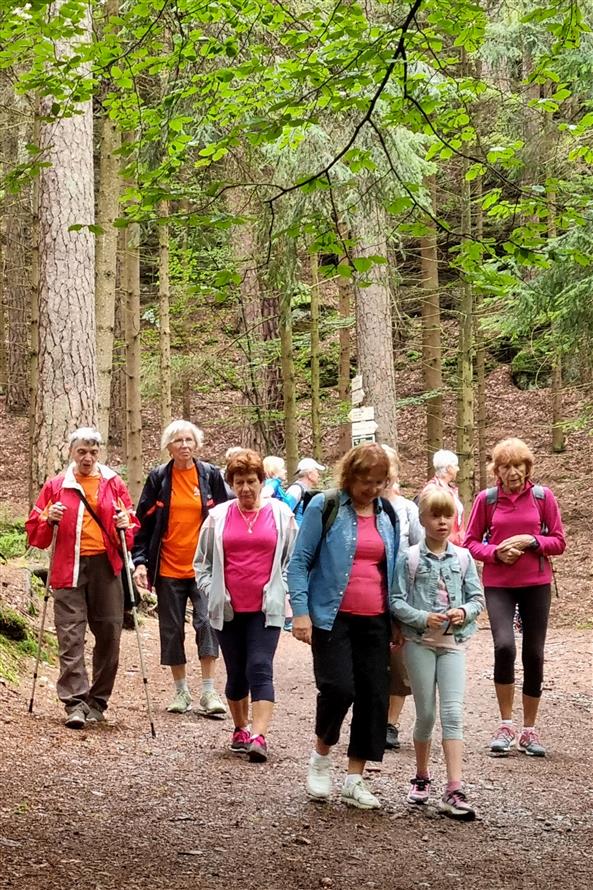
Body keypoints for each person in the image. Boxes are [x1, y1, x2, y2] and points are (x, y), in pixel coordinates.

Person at [288, 443, 399, 810]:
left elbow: (395, 569)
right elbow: (299, 562)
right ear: (350, 476)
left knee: (373, 696)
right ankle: (321, 756)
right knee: (338, 688)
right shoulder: (326, 505)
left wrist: (397, 619)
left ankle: (355, 778)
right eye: (366, 481)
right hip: (331, 617)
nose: (372, 489)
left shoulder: (389, 515)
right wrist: (300, 612)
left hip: (377, 619)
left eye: (380, 482)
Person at [25, 427, 138, 729]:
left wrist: (126, 523)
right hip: (68, 567)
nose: (87, 458)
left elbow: (131, 525)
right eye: (82, 452)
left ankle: (98, 702)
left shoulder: (113, 483)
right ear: (71, 453)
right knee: (70, 635)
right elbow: (35, 532)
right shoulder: (57, 486)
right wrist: (48, 518)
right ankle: (75, 703)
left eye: (93, 452)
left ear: (99, 454)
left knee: (109, 634)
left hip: (106, 566)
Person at [464, 437, 566, 758]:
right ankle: (505, 724)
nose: (513, 472)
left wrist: (533, 541)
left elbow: (559, 541)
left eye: (519, 465)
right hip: (499, 584)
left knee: (534, 654)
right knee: (504, 646)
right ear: (497, 469)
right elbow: (469, 543)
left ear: (527, 467)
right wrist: (495, 552)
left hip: (536, 583)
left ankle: (529, 730)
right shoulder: (487, 499)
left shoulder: (542, 497)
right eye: (506, 466)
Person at [194, 449, 297, 763]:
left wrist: (284, 589)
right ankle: (240, 727)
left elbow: (293, 561)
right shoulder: (217, 517)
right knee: (237, 672)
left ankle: (259, 735)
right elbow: (201, 563)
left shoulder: (282, 515)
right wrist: (212, 590)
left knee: (260, 667)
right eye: (239, 482)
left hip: (266, 607)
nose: (246, 489)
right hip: (227, 608)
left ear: (261, 481)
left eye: (251, 481)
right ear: (231, 484)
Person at [390, 488, 484, 820]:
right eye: (435, 515)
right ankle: (421, 775)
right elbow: (396, 601)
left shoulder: (464, 558)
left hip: (453, 644)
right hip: (419, 643)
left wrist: (464, 611)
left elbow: (477, 597)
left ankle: (454, 788)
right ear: (423, 519)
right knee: (426, 714)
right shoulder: (409, 558)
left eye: (448, 516)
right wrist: (420, 617)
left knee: (453, 714)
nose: (442, 522)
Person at [132, 420, 228, 717]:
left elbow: (226, 518)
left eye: (189, 440)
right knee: (171, 630)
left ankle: (209, 691)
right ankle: (181, 692)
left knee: (207, 624)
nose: (184, 445)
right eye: (177, 441)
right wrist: (139, 561)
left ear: (196, 444)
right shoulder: (159, 478)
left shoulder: (210, 475)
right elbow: (142, 524)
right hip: (168, 567)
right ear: (168, 446)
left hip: (204, 568)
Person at [382, 445, 422, 751]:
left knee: (398, 660)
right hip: (367, 592)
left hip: (402, 594)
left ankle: (390, 724)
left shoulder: (409, 509)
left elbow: (421, 552)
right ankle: (370, 717)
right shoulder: (355, 507)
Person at [422, 449, 465, 545]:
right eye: (456, 466)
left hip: (457, 545)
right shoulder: (431, 490)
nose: (458, 469)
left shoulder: (451, 490)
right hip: (441, 545)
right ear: (449, 468)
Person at [286, 458, 325, 526]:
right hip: (295, 534)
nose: (318, 475)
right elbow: (285, 512)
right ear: (309, 474)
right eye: (316, 471)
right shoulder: (296, 489)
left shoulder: (305, 490)